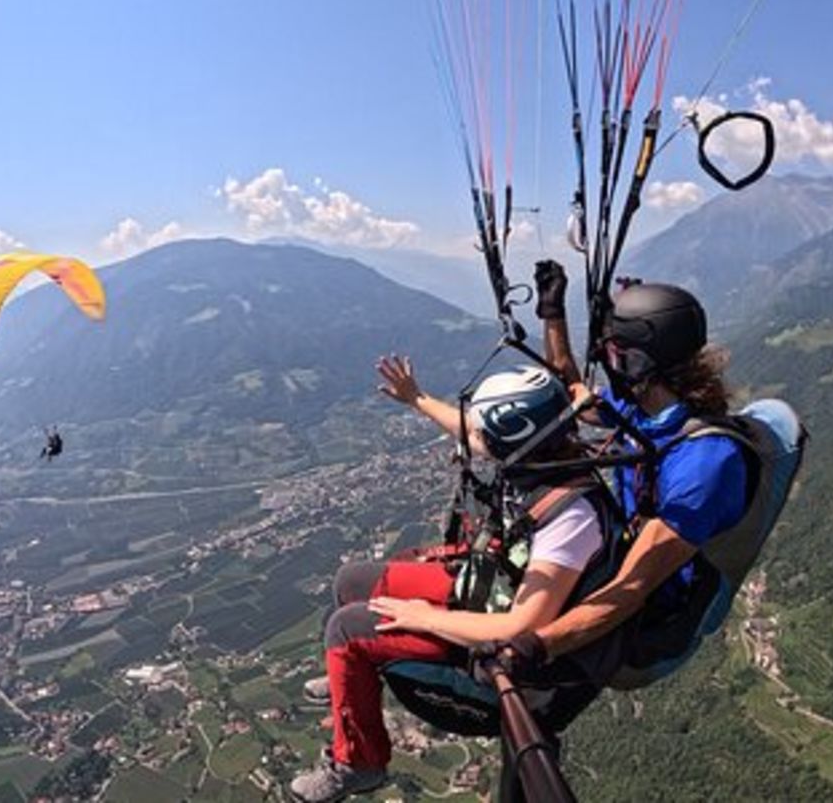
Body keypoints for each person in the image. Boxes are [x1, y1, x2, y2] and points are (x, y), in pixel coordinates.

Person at [288, 356, 614, 803]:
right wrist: (416, 398)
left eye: (486, 436)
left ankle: (358, 763)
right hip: (492, 591)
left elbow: (522, 627)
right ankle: (352, 681)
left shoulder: (570, 518)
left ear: (516, 438)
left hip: (516, 655)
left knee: (346, 630)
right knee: (353, 581)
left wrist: (423, 618)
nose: (475, 442)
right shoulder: (542, 452)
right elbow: (477, 436)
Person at [486, 259, 757, 681]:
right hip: (626, 563)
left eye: (613, 351)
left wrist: (534, 646)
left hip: (653, 618)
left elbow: (633, 588)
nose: (605, 359)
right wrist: (552, 315)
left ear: (637, 365)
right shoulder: (650, 406)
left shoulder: (703, 466)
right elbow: (574, 395)